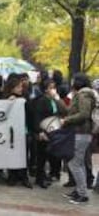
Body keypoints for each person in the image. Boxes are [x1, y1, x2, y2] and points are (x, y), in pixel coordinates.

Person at [61, 73, 95, 204]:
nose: (72, 82)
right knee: (78, 163)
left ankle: (82, 194)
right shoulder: (82, 94)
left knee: (75, 163)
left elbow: (84, 113)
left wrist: (67, 120)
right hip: (81, 132)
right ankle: (78, 190)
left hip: (81, 132)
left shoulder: (83, 94)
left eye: (74, 80)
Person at [33, 79, 67, 189]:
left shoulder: (54, 100)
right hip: (44, 130)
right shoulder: (42, 100)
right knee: (41, 156)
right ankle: (39, 178)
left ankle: (47, 175)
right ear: (46, 89)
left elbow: (63, 111)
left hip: (53, 130)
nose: (53, 90)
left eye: (54, 87)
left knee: (49, 155)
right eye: (51, 87)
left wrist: (58, 99)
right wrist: (39, 131)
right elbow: (37, 117)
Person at [3, 76, 33, 189]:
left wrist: (24, 103)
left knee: (24, 153)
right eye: (18, 87)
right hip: (10, 131)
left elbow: (30, 113)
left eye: (21, 86)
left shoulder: (26, 98)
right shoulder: (6, 98)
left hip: (23, 130)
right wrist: (8, 102)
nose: (21, 88)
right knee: (11, 152)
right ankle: (12, 176)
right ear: (11, 88)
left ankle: (24, 176)